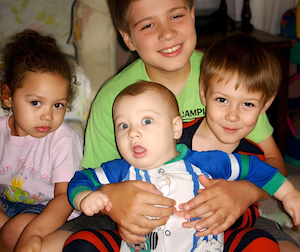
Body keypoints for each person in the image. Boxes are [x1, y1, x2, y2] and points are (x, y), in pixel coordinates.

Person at [63, 0, 290, 252]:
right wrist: (116, 205)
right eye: (147, 25)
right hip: (137, 225)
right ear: (128, 38)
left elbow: (275, 165)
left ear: (193, 14)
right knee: (56, 245)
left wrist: (243, 193)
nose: (166, 33)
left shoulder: (227, 79)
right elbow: (93, 180)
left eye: (176, 16)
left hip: (220, 217)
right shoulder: (114, 98)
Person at [67, 81, 300, 252]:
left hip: (203, 248)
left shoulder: (205, 162)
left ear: (176, 128)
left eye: (146, 121)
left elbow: (256, 168)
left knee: (260, 243)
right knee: (82, 243)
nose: (133, 133)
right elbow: (81, 179)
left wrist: (288, 193)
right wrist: (84, 197)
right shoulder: (118, 169)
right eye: (123, 125)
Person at [178, 34, 300, 250]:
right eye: (222, 100)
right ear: (204, 94)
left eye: (247, 104)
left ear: (265, 105)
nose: (232, 116)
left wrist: (291, 195)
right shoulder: (176, 139)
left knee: (263, 244)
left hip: (235, 233)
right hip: (177, 231)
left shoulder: (253, 156)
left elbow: (272, 178)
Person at [0, 30, 84, 252]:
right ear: (8, 95)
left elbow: (65, 198)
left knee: (15, 229)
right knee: (10, 228)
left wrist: (33, 232)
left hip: (52, 212)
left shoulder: (63, 139)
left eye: (58, 105)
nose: (48, 116)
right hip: (9, 205)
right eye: (36, 103)